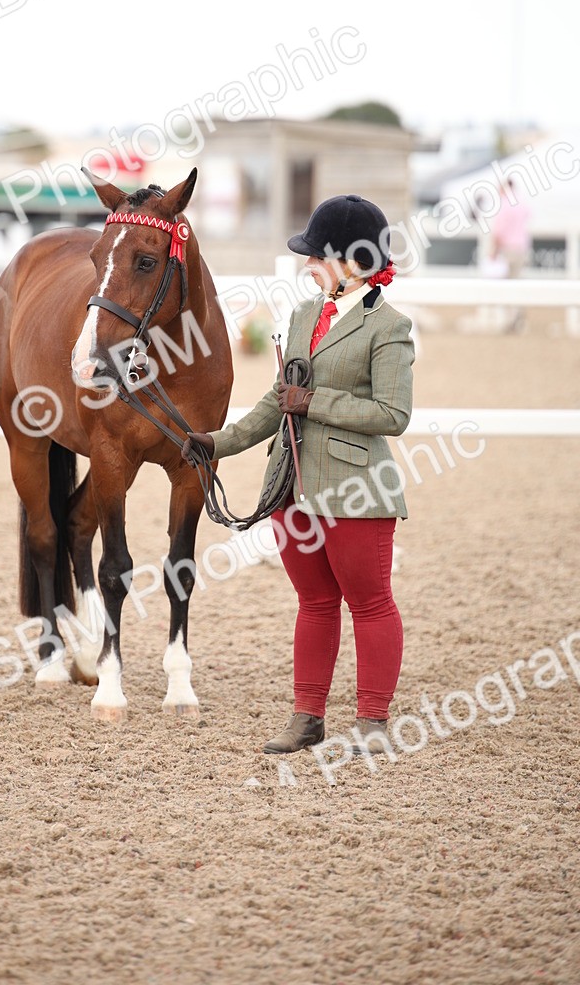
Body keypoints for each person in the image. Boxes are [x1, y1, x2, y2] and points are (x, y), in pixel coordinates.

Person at [182, 194, 415, 756]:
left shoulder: (389, 327)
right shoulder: (304, 315)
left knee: (370, 603)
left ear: (352, 262)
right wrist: (217, 442)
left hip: (355, 489)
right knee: (313, 602)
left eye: (317, 256)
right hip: (291, 485)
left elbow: (393, 414)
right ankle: (307, 717)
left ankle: (373, 721)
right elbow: (277, 400)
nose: (308, 264)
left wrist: (315, 401)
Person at [489, 176, 532, 333]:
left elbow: (498, 232)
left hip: (508, 249)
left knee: (505, 287)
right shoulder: (521, 202)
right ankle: (518, 321)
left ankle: (508, 320)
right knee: (518, 284)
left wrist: (493, 251)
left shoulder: (505, 205)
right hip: (522, 248)